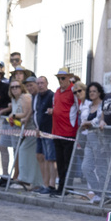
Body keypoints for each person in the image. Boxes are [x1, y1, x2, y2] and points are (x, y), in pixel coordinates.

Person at [51, 67, 79, 195]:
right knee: (60, 162)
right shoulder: (57, 91)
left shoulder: (74, 90)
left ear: (69, 78)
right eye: (59, 78)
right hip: (57, 132)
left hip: (69, 132)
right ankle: (61, 187)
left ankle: (66, 187)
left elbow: (78, 109)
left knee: (68, 162)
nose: (60, 80)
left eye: (63, 78)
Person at [33, 75, 56, 193]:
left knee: (50, 158)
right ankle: (44, 183)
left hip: (49, 132)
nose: (40, 85)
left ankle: (51, 185)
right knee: (40, 156)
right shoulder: (37, 97)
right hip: (39, 131)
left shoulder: (51, 95)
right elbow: (36, 113)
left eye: (42, 83)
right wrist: (36, 127)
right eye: (38, 83)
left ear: (46, 84)